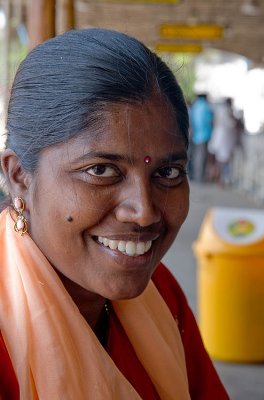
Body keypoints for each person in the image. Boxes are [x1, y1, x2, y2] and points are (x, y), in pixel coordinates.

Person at [0, 28, 229, 400]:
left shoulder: (161, 293)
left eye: (167, 173)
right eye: (102, 170)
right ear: (19, 176)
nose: (143, 213)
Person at [208, 98, 237, 185]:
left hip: (217, 135)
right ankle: (218, 177)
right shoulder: (227, 111)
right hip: (224, 137)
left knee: (217, 158)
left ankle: (215, 175)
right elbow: (230, 123)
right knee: (222, 159)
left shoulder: (219, 109)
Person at [190, 93, 214, 182]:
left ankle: (197, 176)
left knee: (196, 156)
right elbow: (209, 121)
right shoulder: (206, 106)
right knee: (202, 157)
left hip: (195, 135)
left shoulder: (195, 106)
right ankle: (200, 177)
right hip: (204, 135)